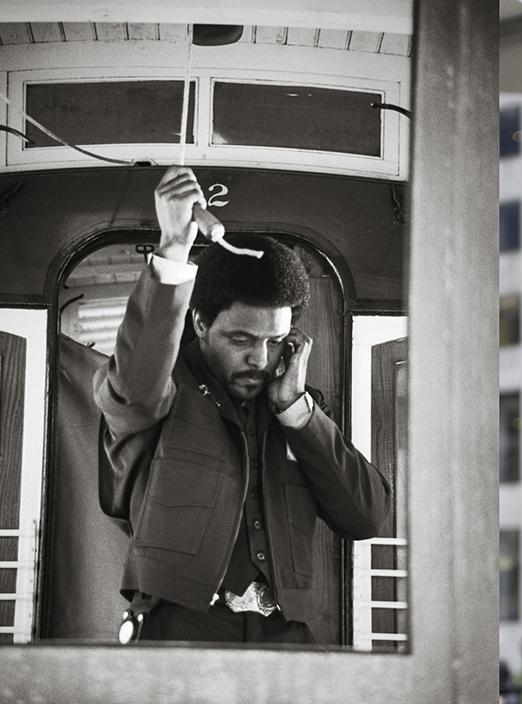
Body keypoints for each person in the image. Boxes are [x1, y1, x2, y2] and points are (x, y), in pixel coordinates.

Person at [94, 166, 392, 643]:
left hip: (286, 641)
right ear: (199, 324)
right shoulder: (160, 389)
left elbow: (367, 516)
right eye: (240, 338)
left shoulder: (298, 411)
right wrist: (173, 249)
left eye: (275, 341)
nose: (259, 357)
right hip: (178, 636)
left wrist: (296, 411)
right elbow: (133, 392)